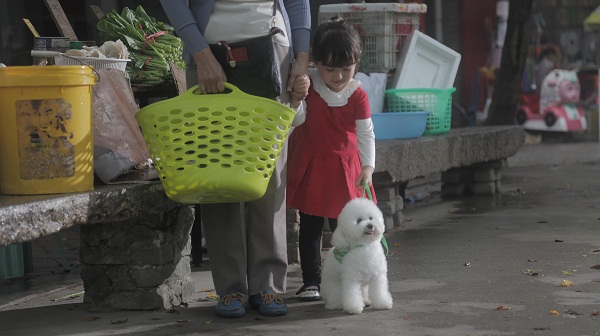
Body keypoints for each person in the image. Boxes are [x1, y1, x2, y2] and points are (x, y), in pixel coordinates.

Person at [159, 0, 311, 318]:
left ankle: (268, 284)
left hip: (272, 50)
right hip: (208, 56)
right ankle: (231, 288)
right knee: (219, 170)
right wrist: (201, 54)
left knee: (269, 171)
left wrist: (302, 57)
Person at [286, 18, 377, 302]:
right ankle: (311, 281)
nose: (338, 76)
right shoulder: (308, 86)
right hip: (313, 166)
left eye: (346, 69)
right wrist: (296, 99)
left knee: (347, 227)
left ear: (356, 63)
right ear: (315, 63)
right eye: (330, 69)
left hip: (346, 169)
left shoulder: (358, 94)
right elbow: (296, 121)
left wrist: (369, 166)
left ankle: (353, 279)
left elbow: (366, 133)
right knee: (311, 226)